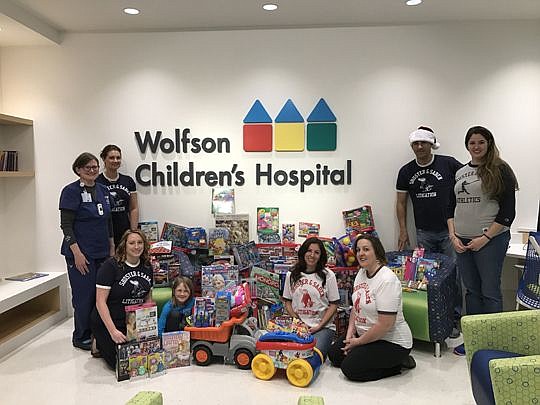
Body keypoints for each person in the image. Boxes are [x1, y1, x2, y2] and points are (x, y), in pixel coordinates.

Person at [448, 126, 518, 356]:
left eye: (480, 142)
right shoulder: (459, 172)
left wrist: (485, 237)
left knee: (489, 291)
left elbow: (508, 212)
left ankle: (493, 342)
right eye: (471, 143)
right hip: (462, 241)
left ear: (489, 143)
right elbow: (450, 207)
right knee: (472, 292)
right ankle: (473, 340)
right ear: (467, 146)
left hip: (491, 240)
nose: (476, 147)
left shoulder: (500, 169)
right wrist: (453, 236)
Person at [396, 126, 463, 337]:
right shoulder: (406, 171)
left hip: (450, 231)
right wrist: (403, 231)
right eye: (415, 144)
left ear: (431, 144)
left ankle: (453, 320)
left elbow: (470, 181)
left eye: (423, 143)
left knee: (453, 277)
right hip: (423, 232)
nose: (419, 147)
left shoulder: (448, 163)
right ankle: (433, 320)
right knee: (427, 278)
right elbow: (400, 203)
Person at [328, 234, 414, 382]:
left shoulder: (387, 280)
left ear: (377, 252)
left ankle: (398, 364)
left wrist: (358, 342)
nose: (361, 253)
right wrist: (350, 335)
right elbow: (356, 306)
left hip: (391, 342)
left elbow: (385, 325)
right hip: (366, 335)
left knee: (350, 369)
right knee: (334, 355)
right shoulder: (361, 273)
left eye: (366, 249)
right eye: (358, 250)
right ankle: (367, 354)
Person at [59, 152, 115, 351]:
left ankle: (96, 332)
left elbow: (108, 222)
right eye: (87, 167)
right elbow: (66, 225)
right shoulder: (70, 191)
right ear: (78, 170)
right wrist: (77, 253)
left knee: (101, 296)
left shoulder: (103, 190)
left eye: (94, 167)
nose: (92, 170)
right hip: (80, 254)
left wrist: (112, 247)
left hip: (102, 252)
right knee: (84, 296)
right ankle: (81, 336)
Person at [91, 229, 153, 369]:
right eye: (132, 243)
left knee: (142, 359)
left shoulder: (147, 266)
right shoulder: (110, 266)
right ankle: (98, 341)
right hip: (109, 320)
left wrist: (146, 327)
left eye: (140, 242)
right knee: (121, 365)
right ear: (124, 245)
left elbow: (148, 296)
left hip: (131, 321)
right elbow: (100, 302)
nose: (136, 246)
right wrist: (113, 331)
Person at [281, 237, 340, 360]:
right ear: (303, 252)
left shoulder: (328, 275)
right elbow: (287, 301)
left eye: (316, 252)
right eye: (309, 251)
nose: (312, 255)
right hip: (298, 327)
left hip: (323, 328)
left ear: (321, 256)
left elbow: (334, 304)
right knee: (286, 354)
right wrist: (297, 320)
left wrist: (320, 326)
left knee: (312, 355)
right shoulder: (291, 275)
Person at [96, 144, 138, 246]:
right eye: (111, 158)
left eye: (118, 158)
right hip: (104, 232)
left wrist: (133, 232)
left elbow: (133, 208)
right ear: (104, 159)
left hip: (124, 232)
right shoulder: (96, 181)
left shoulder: (128, 181)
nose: (115, 160)